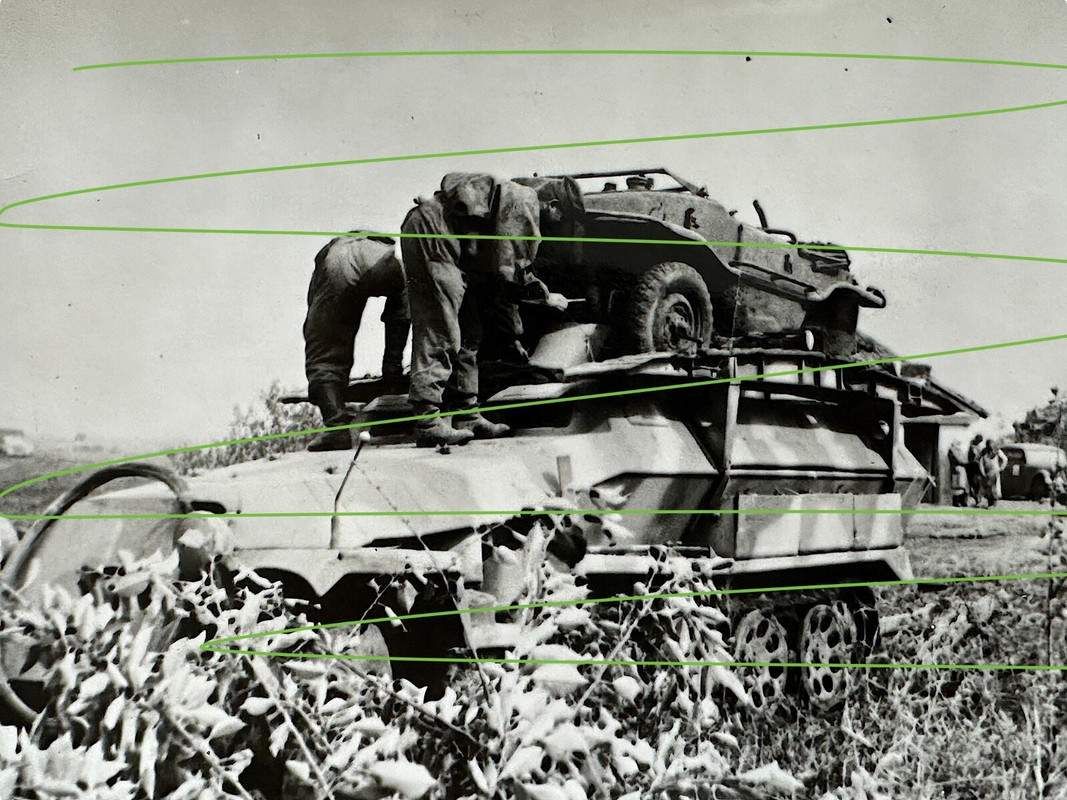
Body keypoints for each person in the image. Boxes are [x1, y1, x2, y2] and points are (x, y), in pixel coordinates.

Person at [401, 173, 563, 448]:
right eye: (563, 217)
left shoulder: (502, 200)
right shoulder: (525, 199)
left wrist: (512, 334)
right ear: (555, 204)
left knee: (469, 331)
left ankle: (467, 414)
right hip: (434, 235)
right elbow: (510, 261)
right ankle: (427, 421)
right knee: (440, 326)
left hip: (452, 243)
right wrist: (545, 296)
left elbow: (498, 282)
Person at [303, 233, 409, 451]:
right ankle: (392, 374)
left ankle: (336, 429)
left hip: (342, 264)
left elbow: (321, 329)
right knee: (403, 305)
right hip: (392, 260)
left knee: (323, 356)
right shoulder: (374, 245)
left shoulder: (331, 254)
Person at [977, 439, 1009, 508]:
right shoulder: (984, 452)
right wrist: (982, 472)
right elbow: (981, 462)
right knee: (987, 489)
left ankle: (994, 504)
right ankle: (989, 503)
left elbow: (1005, 459)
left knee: (994, 488)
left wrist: (1001, 468)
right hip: (987, 472)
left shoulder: (997, 451)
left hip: (995, 471)